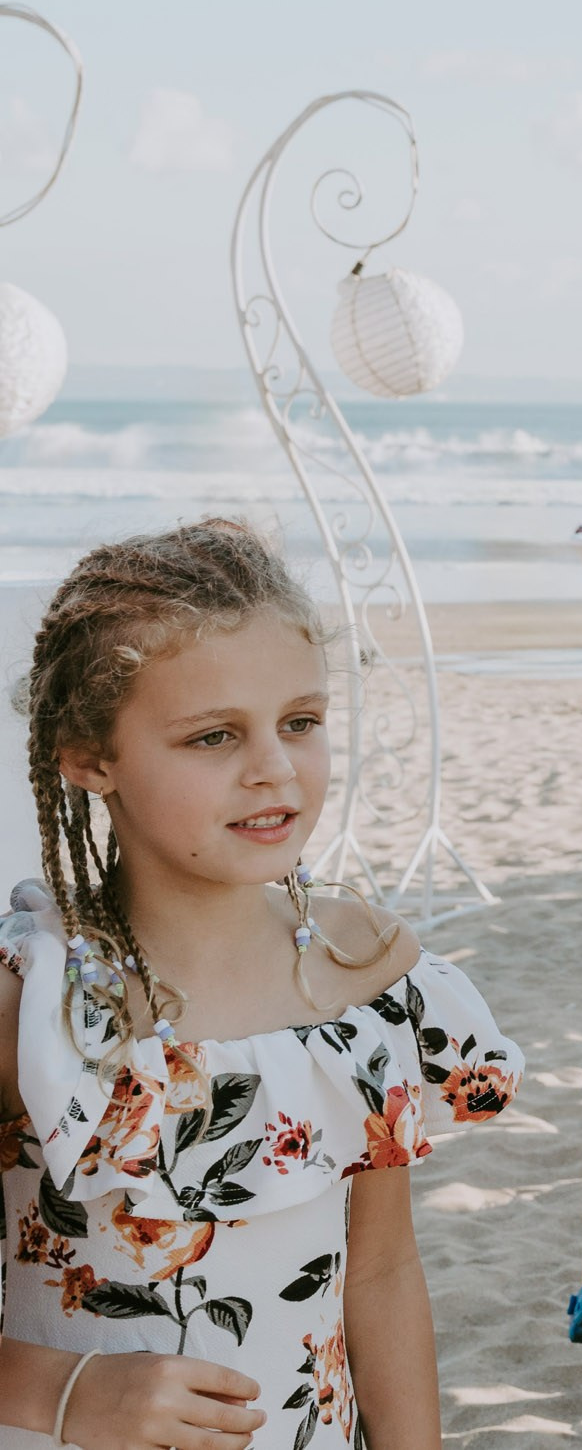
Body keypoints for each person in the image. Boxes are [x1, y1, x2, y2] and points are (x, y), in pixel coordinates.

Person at [0, 521, 519, 1449]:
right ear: (87, 756)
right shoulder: (33, 1002)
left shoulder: (364, 976)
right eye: (213, 735)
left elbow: (383, 1272)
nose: (274, 767)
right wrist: (69, 1390)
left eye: (302, 721)